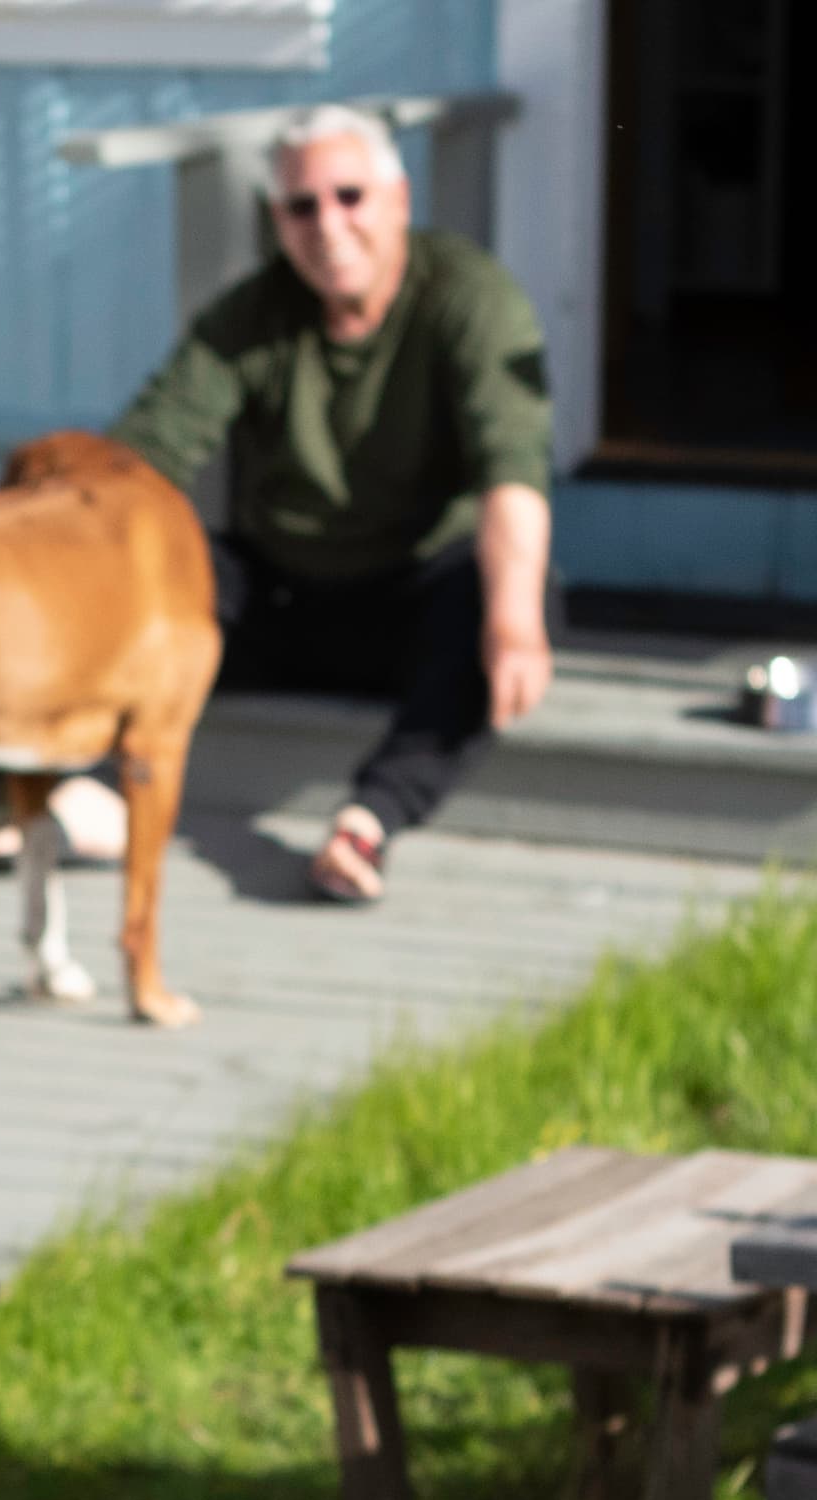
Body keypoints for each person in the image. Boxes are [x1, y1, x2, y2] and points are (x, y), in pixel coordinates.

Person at [36, 102, 557, 903]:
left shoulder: (467, 294)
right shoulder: (253, 314)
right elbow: (142, 456)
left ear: (399, 201)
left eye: (350, 196)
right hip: (281, 594)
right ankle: (104, 788)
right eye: (302, 206)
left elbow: (512, 469)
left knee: (513, 593)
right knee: (169, 565)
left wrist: (514, 621)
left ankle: (370, 820)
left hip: (416, 597)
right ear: (278, 220)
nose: (329, 224)